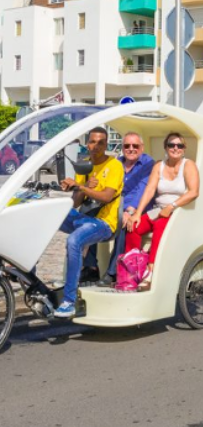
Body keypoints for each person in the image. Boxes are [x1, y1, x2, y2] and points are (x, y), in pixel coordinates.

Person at [54, 127, 124, 318]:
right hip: (86, 218)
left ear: (106, 144)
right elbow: (76, 202)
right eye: (93, 142)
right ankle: (29, 274)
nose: (96, 146)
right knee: (49, 215)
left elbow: (107, 197)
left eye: (101, 142)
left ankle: (69, 301)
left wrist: (82, 187)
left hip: (104, 224)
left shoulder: (114, 165)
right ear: (87, 144)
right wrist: (78, 187)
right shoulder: (84, 165)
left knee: (73, 241)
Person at [126, 132, 200, 290]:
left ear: (184, 148)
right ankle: (133, 272)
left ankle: (152, 270)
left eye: (179, 145)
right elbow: (150, 189)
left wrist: (171, 206)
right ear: (165, 148)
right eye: (171, 145)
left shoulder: (188, 165)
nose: (175, 148)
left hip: (180, 211)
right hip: (159, 210)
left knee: (160, 225)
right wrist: (137, 213)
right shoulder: (159, 166)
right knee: (133, 227)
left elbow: (193, 192)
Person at [83, 132, 156, 287]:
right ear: (122, 148)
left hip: (137, 208)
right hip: (117, 205)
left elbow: (142, 190)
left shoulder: (148, 164)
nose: (131, 149)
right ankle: (91, 267)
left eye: (135, 146)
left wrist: (129, 211)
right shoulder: (117, 163)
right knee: (89, 216)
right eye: (127, 146)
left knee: (123, 223)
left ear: (142, 148)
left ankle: (112, 272)